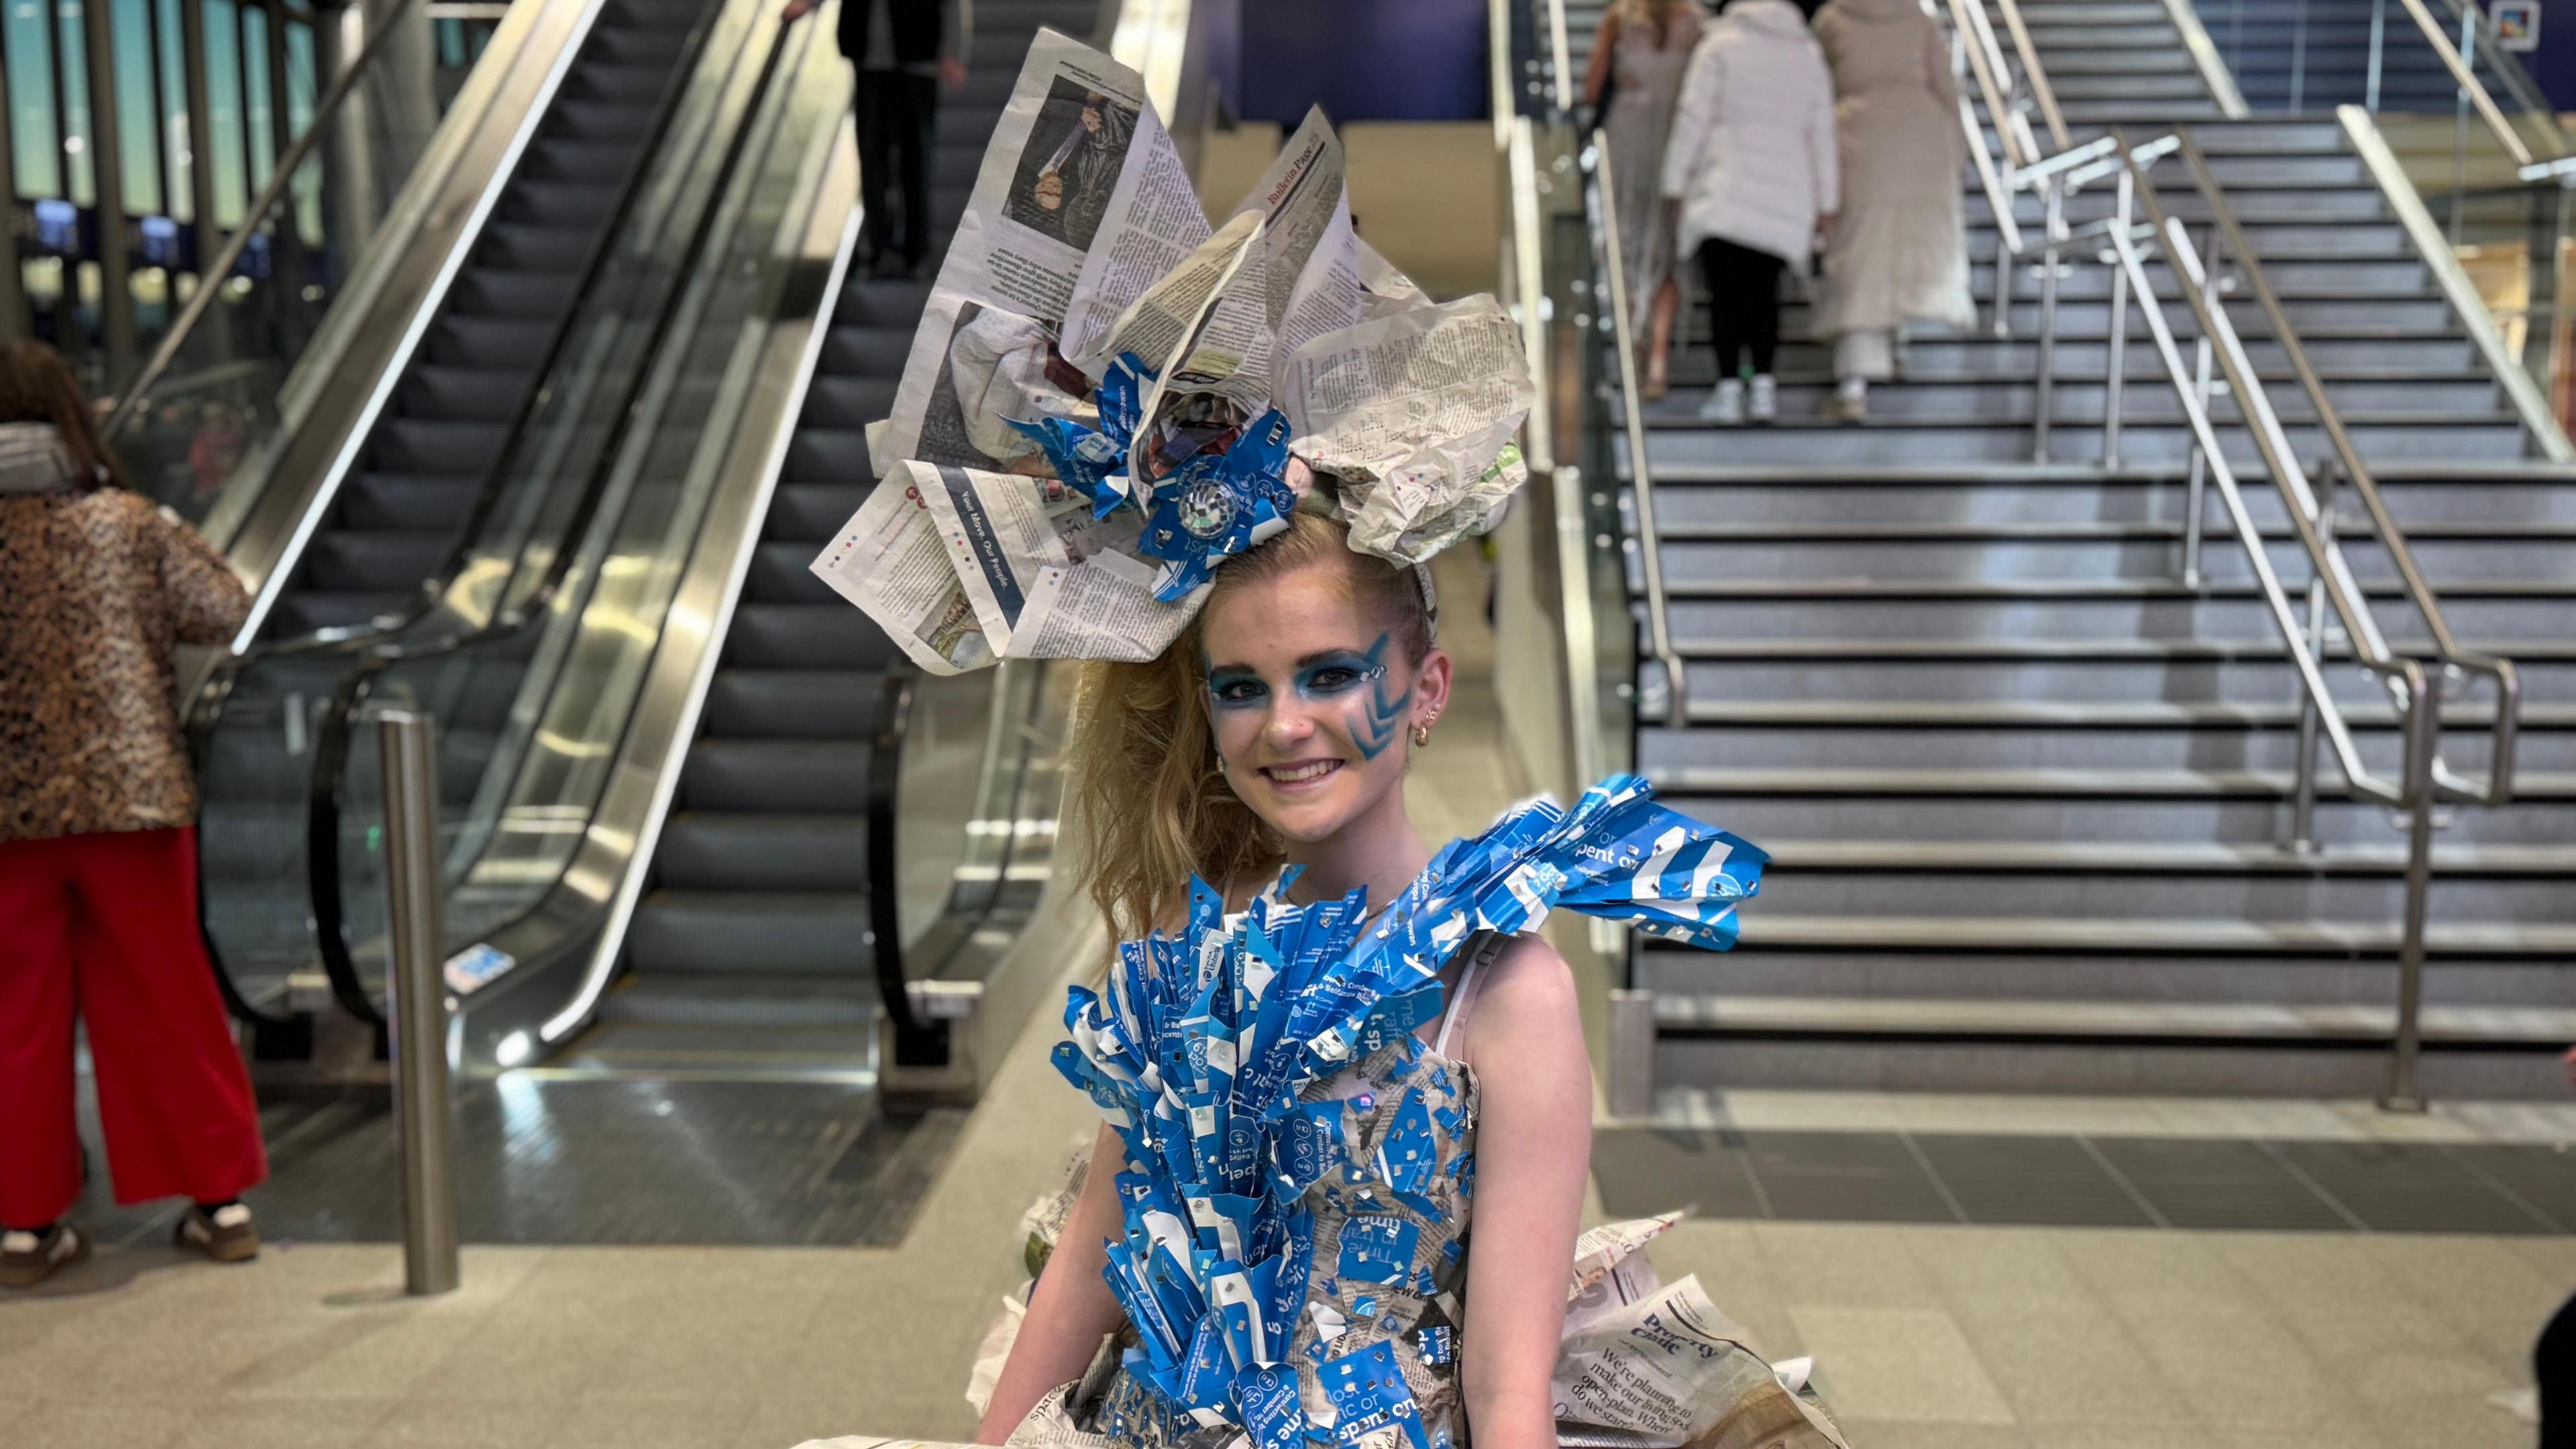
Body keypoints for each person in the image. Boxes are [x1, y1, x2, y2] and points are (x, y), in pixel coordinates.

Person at [0, 339, 268, 1287]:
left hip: (7, 815)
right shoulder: (126, 522)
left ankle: (26, 1227)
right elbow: (228, 606)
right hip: (135, 799)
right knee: (165, 993)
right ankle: (218, 1203)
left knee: (15, 1013)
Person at [1661, 0, 1839, 425]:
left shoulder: (1720, 46)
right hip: (1785, 194)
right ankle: (1764, 388)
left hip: (1725, 188)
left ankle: (1728, 388)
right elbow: (1822, 133)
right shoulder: (1807, 53)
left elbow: (1693, 117)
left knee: (1726, 297)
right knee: (1764, 296)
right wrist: (1826, 202)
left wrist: (1675, 182)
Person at [1811, 0, 1973, 421]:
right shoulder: (1917, 18)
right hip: (1923, 136)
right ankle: (1897, 344)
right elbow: (1946, 89)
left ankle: (1853, 384)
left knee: (1860, 256)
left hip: (1857, 137)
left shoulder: (1832, 21)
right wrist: (1957, 156)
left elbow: (1813, 86)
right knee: (1905, 248)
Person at [785, 0, 971, 278]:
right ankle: (878, 248)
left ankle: (915, 253)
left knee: (915, 160)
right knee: (871, 158)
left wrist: (952, 51)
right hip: (869, 61)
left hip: (918, 58)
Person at [1584, 0, 1709, 401]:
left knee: (1625, 243)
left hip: (1629, 139)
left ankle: (1634, 346)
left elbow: (1593, 88)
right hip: (1677, 142)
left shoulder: (1620, 18)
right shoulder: (1699, 23)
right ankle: (1657, 358)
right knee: (1666, 250)